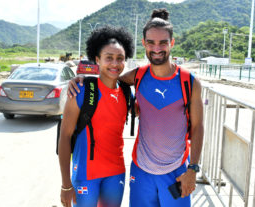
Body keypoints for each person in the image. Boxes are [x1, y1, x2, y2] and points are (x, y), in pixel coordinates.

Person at [68, 8, 204, 207]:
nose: (157, 48)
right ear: (144, 44)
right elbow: (110, 80)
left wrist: (192, 169)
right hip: (142, 172)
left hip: (177, 172)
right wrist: (84, 80)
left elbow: (199, 126)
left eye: (163, 42)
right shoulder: (137, 76)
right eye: (151, 42)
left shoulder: (188, 82)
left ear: (172, 43)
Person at [58, 25, 134, 207]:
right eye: (109, 58)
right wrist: (66, 185)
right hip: (86, 175)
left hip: (116, 173)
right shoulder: (81, 90)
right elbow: (65, 137)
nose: (115, 64)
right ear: (97, 59)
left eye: (120, 59)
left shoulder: (125, 92)